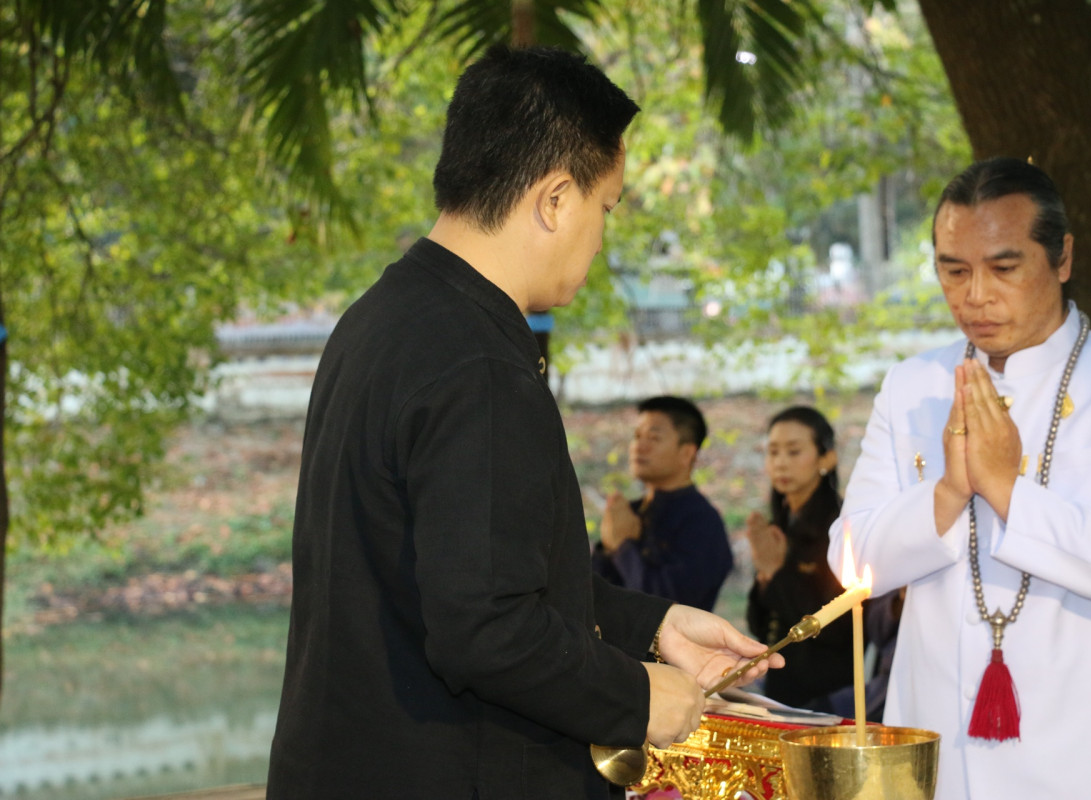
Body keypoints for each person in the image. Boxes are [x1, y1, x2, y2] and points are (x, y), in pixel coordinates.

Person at [266, 45, 779, 800]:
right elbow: (487, 630)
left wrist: (652, 626)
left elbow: (473, 572)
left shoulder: (385, 318)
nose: (600, 237)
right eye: (606, 209)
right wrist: (638, 694)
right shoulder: (479, 365)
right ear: (556, 199)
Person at [831, 156, 1091, 800]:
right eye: (954, 270)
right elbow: (849, 559)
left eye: (1004, 268)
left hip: (1089, 754)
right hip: (936, 745)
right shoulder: (913, 385)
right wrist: (948, 493)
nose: (975, 295)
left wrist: (1005, 489)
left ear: (1062, 258)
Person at [744, 406, 853, 711]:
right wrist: (766, 577)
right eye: (773, 452)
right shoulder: (779, 525)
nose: (781, 462)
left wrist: (777, 574)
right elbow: (760, 626)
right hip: (778, 687)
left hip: (827, 698)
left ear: (826, 459)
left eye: (793, 452)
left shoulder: (841, 527)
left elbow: (840, 627)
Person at [591, 396, 733, 611]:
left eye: (654, 438)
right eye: (637, 436)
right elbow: (590, 593)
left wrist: (622, 548)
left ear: (686, 453)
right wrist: (606, 548)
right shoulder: (631, 511)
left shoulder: (702, 521)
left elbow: (669, 607)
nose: (639, 446)